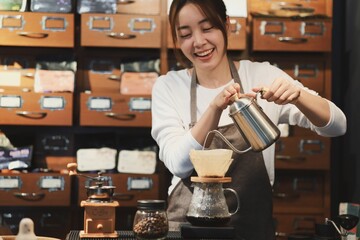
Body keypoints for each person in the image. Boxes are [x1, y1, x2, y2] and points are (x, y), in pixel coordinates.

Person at [151, 0, 347, 239]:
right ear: (177, 40)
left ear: (227, 26)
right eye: (185, 34)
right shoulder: (169, 86)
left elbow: (338, 125)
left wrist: (298, 97)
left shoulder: (261, 75)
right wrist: (214, 108)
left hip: (252, 229)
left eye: (207, 28)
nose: (199, 41)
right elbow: (177, 162)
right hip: (187, 230)